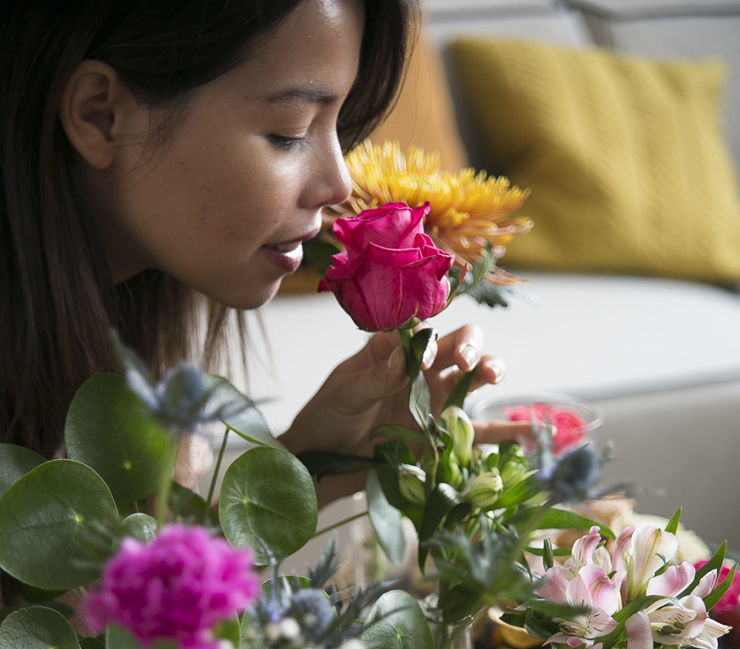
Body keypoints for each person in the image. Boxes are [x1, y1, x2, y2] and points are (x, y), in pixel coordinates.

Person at [0, 0, 509, 511]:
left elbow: (121, 589)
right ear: (101, 116)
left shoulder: (122, 349)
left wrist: (310, 463)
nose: (340, 185)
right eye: (289, 133)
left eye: (340, 125)